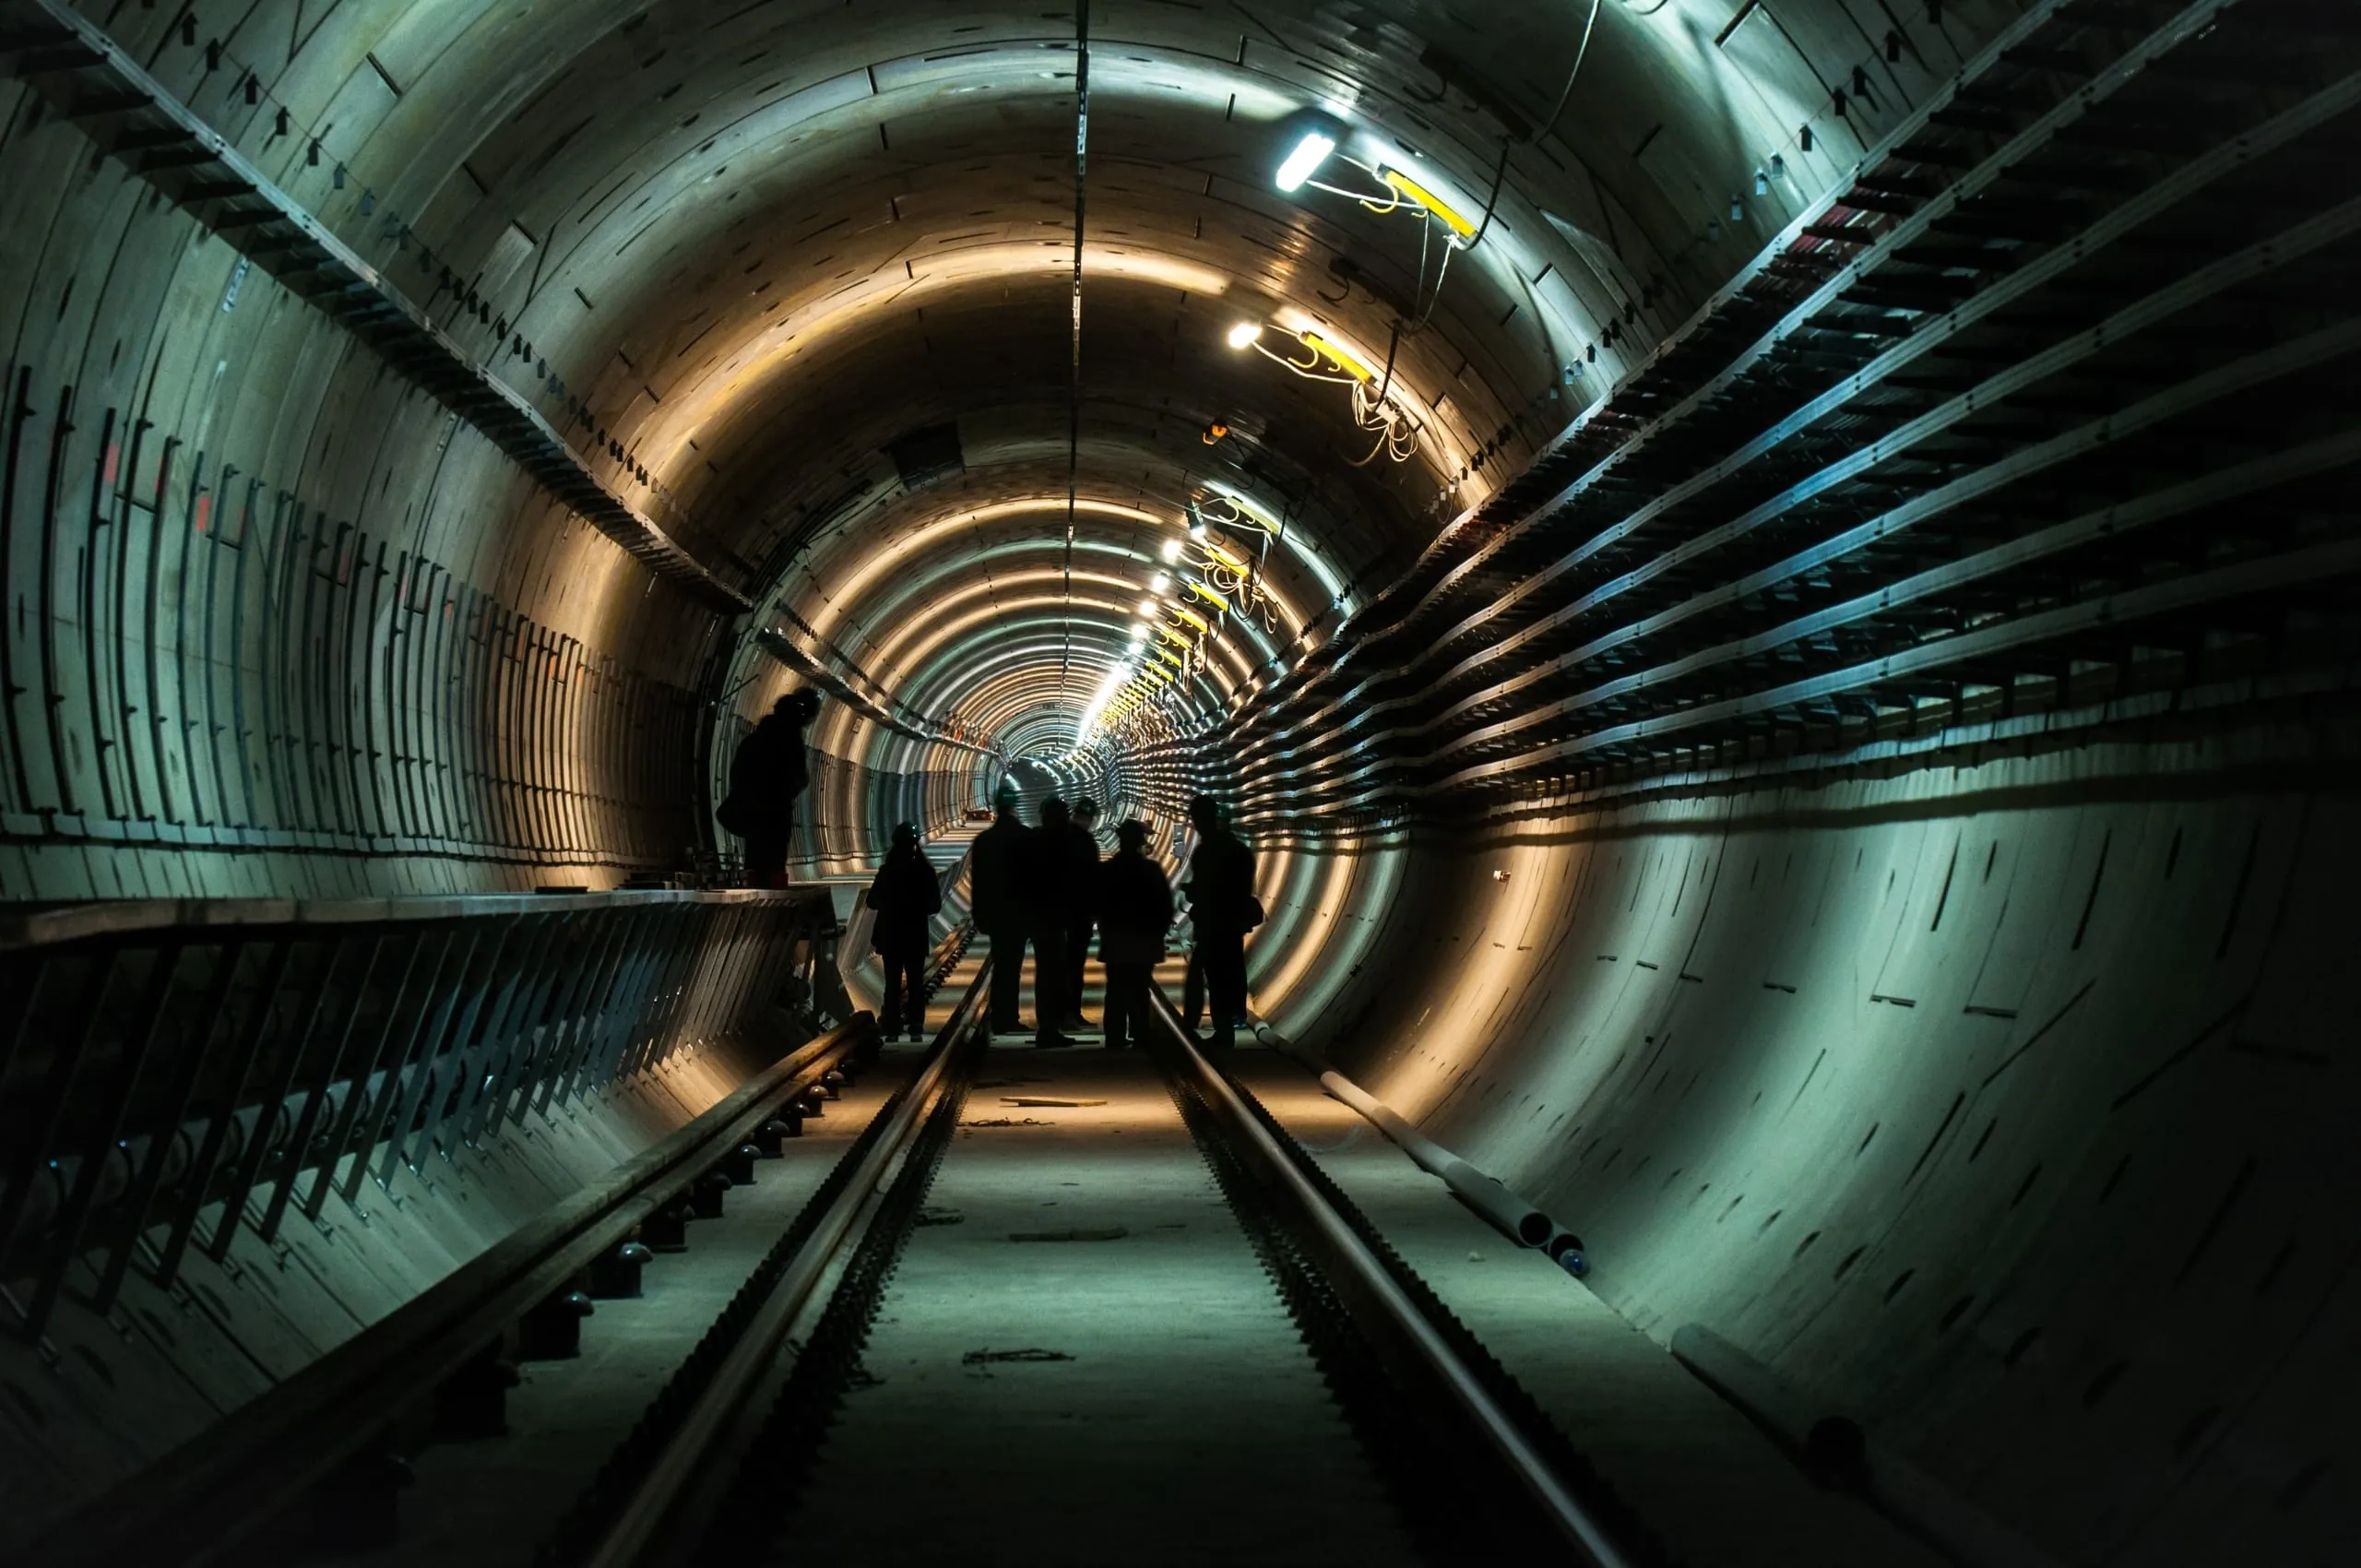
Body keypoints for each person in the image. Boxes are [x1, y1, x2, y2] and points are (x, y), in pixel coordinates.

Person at [719, 690, 819, 887]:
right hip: (777, 814)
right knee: (775, 861)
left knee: (754, 858)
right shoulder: (791, 743)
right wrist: (783, 794)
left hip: (752, 811)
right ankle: (775, 896)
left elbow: (737, 773)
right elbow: (798, 778)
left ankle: (754, 894)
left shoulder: (754, 739)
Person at [1181, 793, 1257, 1048]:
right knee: (1230, 972)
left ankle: (1204, 1027)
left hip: (1212, 925)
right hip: (1233, 924)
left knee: (1210, 975)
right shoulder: (1240, 850)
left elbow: (1204, 890)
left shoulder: (1205, 852)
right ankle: (1227, 1024)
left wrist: (1191, 893)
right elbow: (1243, 888)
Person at [1097, 819, 1174, 1049]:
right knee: (1140, 988)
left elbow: (1097, 903)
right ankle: (1140, 1034)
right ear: (1141, 841)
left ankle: (1114, 1036)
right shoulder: (1151, 870)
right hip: (1144, 939)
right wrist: (1159, 933)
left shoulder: (1108, 870)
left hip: (1116, 938)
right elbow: (1164, 905)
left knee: (1116, 988)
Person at [867, 822, 942, 1042]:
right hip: (915, 936)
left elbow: (871, 901)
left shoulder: (887, 872)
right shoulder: (925, 872)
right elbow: (934, 906)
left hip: (891, 937)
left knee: (892, 984)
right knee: (916, 982)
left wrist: (889, 903)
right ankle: (916, 1025)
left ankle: (892, 1026)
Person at [970, 782, 1033, 1036]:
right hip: (1019, 913)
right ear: (1015, 807)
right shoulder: (1026, 837)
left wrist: (978, 914)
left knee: (1000, 963)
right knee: (1012, 966)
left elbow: (978, 881)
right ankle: (1008, 1017)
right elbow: (1034, 879)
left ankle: (999, 1015)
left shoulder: (984, 840)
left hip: (994, 913)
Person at [1020, 797, 1078, 1048]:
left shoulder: (1034, 841)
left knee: (1047, 972)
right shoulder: (1067, 843)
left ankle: (1050, 1025)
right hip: (1057, 917)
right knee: (1055, 973)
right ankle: (1050, 1028)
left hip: (1039, 916)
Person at [1060, 798, 1104, 1031]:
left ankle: (1056, 1015)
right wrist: (1095, 911)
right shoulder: (1086, 842)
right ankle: (1072, 1013)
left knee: (1056, 967)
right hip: (1079, 915)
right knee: (1075, 967)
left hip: (1056, 913)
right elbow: (1093, 880)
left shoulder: (1057, 839)